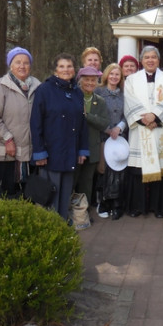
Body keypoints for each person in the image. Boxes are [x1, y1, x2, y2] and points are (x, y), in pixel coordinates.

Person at [30, 53, 89, 220]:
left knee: (65, 195)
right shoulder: (44, 90)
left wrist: (82, 151)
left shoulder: (77, 92)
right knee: (50, 195)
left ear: (74, 69)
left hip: (70, 152)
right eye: (62, 66)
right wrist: (39, 152)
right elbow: (36, 123)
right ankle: (50, 230)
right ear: (55, 70)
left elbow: (82, 123)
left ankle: (62, 227)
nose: (66, 70)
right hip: (51, 153)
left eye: (69, 66)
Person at [124, 46, 163, 218]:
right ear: (141, 60)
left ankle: (159, 207)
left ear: (158, 60)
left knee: (161, 171)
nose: (150, 60)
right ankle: (138, 206)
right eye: (146, 57)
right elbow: (129, 101)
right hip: (140, 130)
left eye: (153, 57)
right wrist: (145, 120)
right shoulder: (131, 79)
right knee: (138, 171)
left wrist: (155, 117)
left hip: (160, 130)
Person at [0, 47, 41, 198]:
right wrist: (7, 138)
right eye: (17, 62)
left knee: (29, 194)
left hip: (31, 153)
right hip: (7, 152)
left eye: (26, 62)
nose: (22, 66)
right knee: (7, 194)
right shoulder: (0, 86)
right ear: (10, 65)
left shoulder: (38, 86)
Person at [74, 66, 110, 217]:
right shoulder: (73, 96)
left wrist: (87, 116)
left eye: (93, 80)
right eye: (86, 80)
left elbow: (103, 123)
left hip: (92, 148)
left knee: (87, 182)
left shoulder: (99, 101)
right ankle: (69, 210)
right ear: (80, 81)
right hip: (74, 147)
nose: (89, 83)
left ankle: (83, 213)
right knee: (72, 180)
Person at [95, 63, 127, 219]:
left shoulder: (124, 94)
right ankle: (103, 202)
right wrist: (107, 128)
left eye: (117, 74)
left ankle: (116, 203)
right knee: (103, 169)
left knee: (118, 171)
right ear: (106, 75)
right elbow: (93, 114)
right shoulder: (98, 92)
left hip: (119, 138)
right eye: (112, 74)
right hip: (103, 136)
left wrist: (119, 128)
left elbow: (127, 115)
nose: (114, 77)